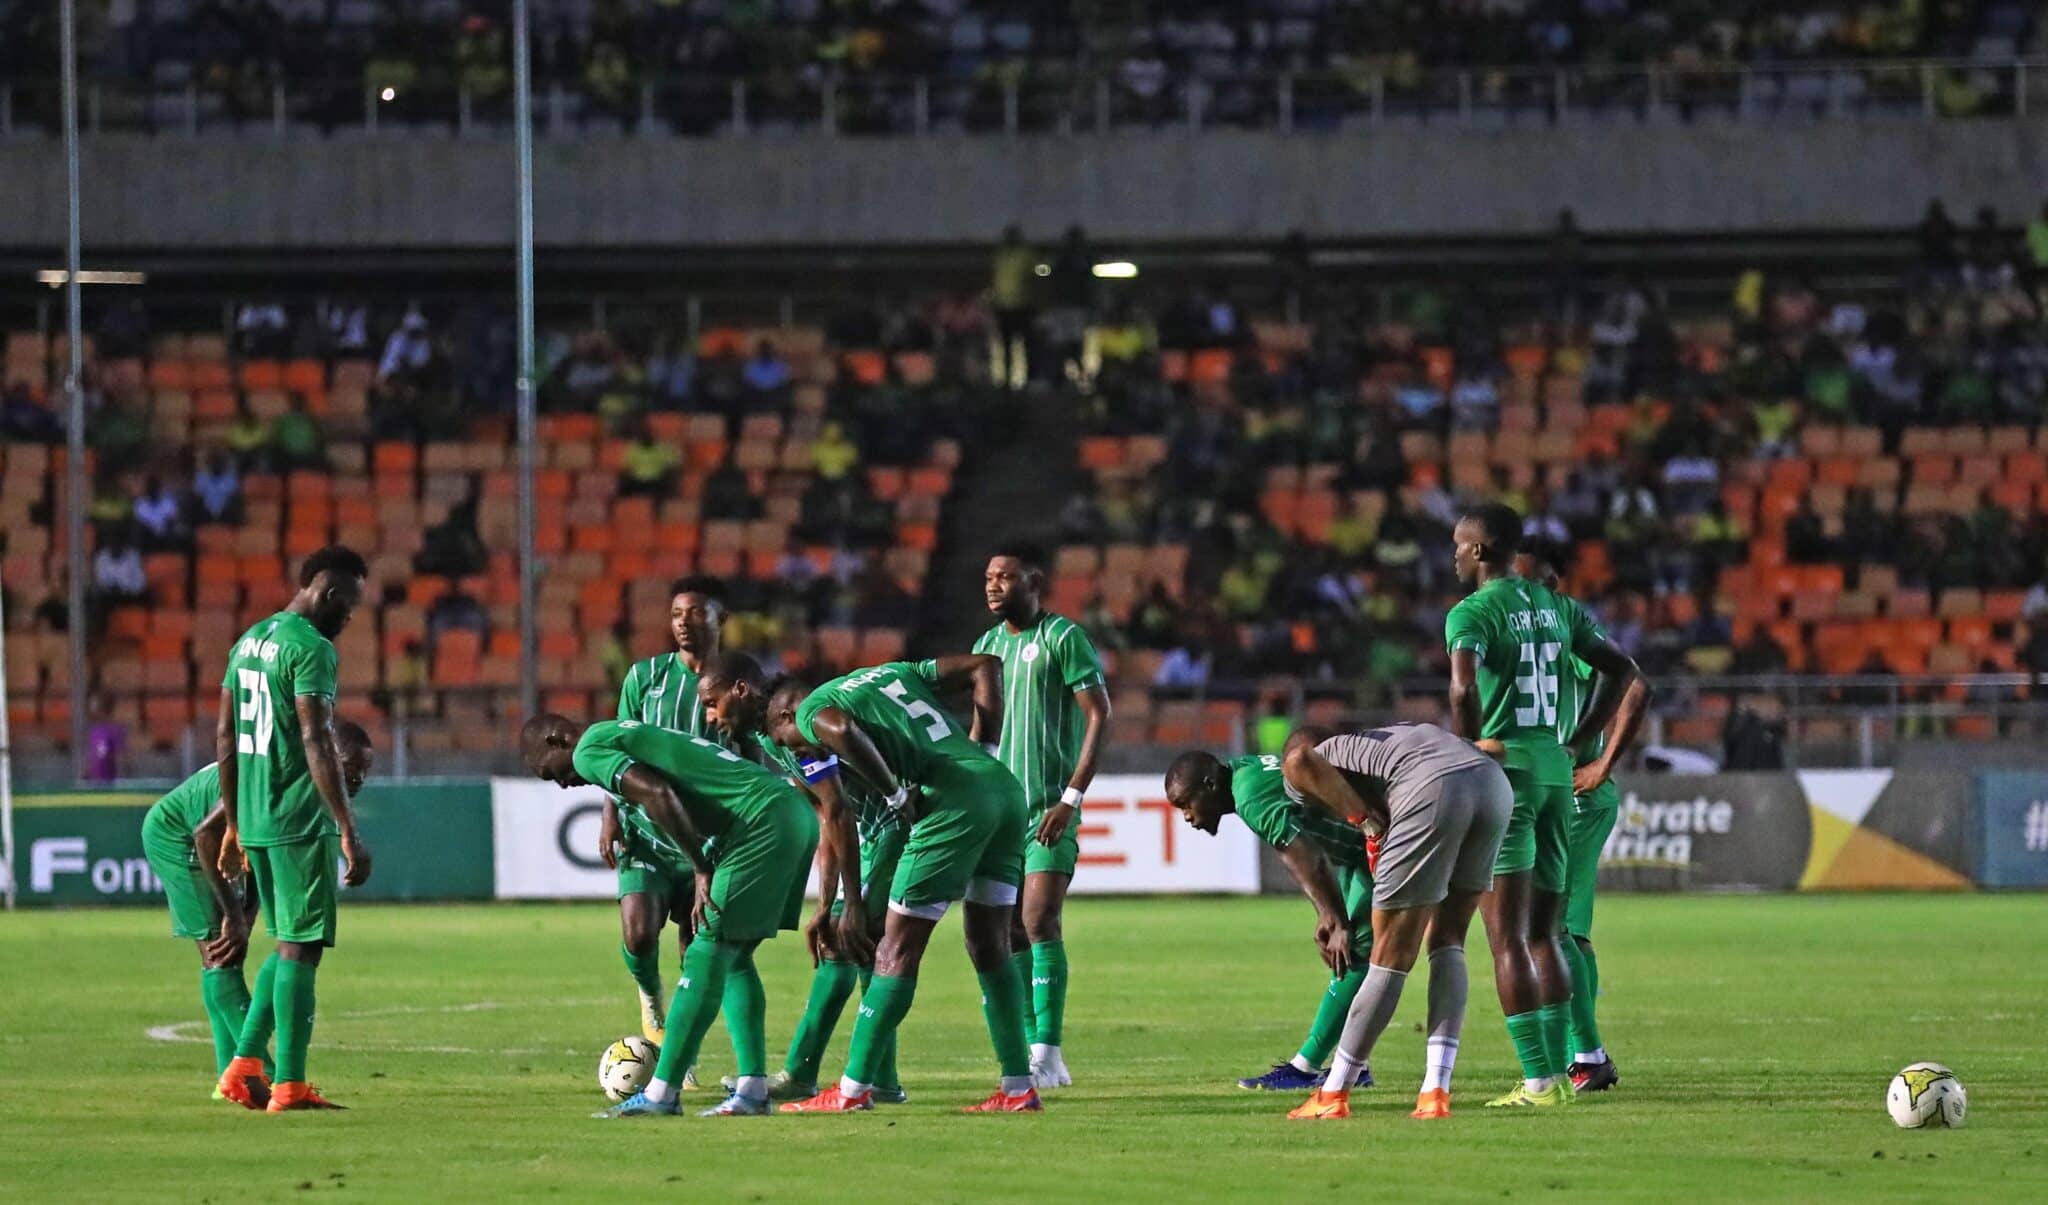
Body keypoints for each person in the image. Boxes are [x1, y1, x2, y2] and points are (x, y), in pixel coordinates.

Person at [764, 657, 1040, 1114]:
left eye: (788, 743)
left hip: (950, 801)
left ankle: (852, 1090)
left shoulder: (815, 707)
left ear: (786, 718)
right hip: (1003, 791)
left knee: (894, 949)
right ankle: (1017, 1087)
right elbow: (987, 665)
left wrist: (893, 794)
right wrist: (985, 752)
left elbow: (840, 728)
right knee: (989, 943)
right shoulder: (893, 671)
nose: (804, 754)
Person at [522, 715, 819, 1118]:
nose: (559, 783)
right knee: (734, 959)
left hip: (758, 822)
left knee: (705, 951)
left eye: (548, 771)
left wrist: (699, 868)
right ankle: (751, 1088)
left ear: (557, 738)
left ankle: (662, 1093)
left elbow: (657, 793)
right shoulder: (622, 732)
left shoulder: (591, 748)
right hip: (790, 813)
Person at [1443, 504, 1641, 1109]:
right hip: (1558, 773)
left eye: (1459, 545)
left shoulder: (1472, 611)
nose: (1453, 554)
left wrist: (1473, 752)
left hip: (1509, 776)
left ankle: (1538, 1080)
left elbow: (1461, 686)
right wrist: (1581, 739)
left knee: (1507, 939)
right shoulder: (1555, 606)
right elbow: (1624, 669)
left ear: (1481, 552)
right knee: (1547, 933)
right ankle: (1560, 1074)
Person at [1266, 723, 1513, 1122]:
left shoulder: (1317, 757)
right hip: (1492, 787)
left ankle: (1334, 1091)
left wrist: (1366, 823)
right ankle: (1436, 1090)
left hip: (1431, 791)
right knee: (1449, 941)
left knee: (1390, 954)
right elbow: (1495, 748)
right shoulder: (1388, 740)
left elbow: (1298, 761)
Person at [700, 660, 908, 1105]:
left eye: (713, 705)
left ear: (740, 689)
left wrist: (850, 904)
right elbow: (824, 814)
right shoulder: (768, 735)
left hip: (895, 826)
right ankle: (865, 1080)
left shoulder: (792, 717)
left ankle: (839, 1077)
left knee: (856, 939)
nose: (710, 718)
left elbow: (838, 810)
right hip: (869, 835)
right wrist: (826, 902)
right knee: (846, 943)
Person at [213, 544, 372, 1113]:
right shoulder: (311, 649)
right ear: (328, 594)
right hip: (298, 818)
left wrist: (234, 820)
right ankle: (290, 1086)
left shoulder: (249, 641)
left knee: (285, 946)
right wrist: (346, 826)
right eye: (349, 606)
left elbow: (225, 737)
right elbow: (315, 739)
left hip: (255, 816)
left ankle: (243, 1065)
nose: (350, 618)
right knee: (303, 950)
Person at [142, 722, 373, 1096]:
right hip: (178, 835)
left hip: (225, 844)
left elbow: (260, 848)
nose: (359, 779)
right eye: (351, 766)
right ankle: (256, 1074)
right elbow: (205, 834)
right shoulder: (270, 774)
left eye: (366, 770)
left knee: (230, 950)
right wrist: (233, 914)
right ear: (325, 757)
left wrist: (245, 914)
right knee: (220, 954)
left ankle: (227, 1077)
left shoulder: (308, 786)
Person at [1162, 743, 1376, 1095]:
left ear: (1210, 786)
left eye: (1186, 803)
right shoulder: (1242, 769)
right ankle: (1355, 1063)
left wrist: (1335, 920)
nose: (1186, 816)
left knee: (1356, 952)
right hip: (1358, 853)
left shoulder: (1249, 797)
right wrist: (1329, 915)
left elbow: (1306, 858)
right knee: (1353, 953)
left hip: (1378, 844)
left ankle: (1306, 1067)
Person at [972, 544, 1111, 1089]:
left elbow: (1100, 714)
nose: (993, 585)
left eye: (1005, 577)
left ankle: (1049, 1051)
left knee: (1037, 919)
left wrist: (1071, 797)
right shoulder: (984, 647)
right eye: (988, 576)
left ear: (1034, 582)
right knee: (1007, 931)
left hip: (1050, 807)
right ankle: (1034, 1049)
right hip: (1000, 814)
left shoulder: (1063, 637)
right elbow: (981, 732)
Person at [1515, 552, 1653, 1093]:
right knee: (1566, 930)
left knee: (1554, 929)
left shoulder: (1562, 627)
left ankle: (1588, 1055)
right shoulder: (1536, 635)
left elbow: (1635, 684)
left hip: (1574, 796)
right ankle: (1583, 1051)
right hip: (1556, 791)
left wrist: (1598, 761)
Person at [608, 576, 726, 1052]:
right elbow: (617, 749)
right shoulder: (644, 678)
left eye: (695, 612)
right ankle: (649, 997)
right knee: (638, 935)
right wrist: (609, 815)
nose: (683, 623)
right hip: (647, 832)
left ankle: (681, 1049)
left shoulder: (735, 681)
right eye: (676, 614)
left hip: (709, 837)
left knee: (692, 950)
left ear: (721, 619)